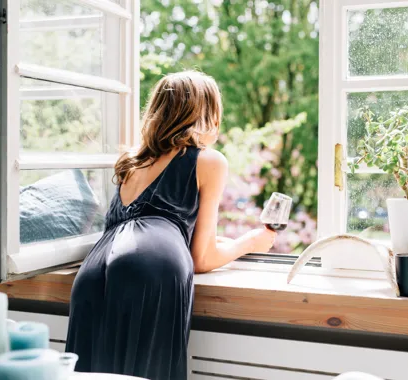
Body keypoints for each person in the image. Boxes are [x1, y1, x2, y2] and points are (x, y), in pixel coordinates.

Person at [65, 71, 277, 379]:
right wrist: (252, 242)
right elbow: (202, 258)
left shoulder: (130, 163)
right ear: (208, 115)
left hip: (92, 275)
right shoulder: (208, 161)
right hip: (149, 272)